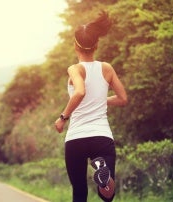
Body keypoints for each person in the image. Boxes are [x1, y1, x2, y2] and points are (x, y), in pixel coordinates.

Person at [54, 11, 127, 202]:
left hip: (76, 138)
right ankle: (104, 179)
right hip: (101, 136)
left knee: (79, 192)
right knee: (108, 196)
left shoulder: (75, 69)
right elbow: (122, 98)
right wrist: (101, 100)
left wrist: (63, 117)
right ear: (96, 45)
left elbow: (79, 92)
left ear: (75, 45)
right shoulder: (107, 68)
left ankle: (103, 179)